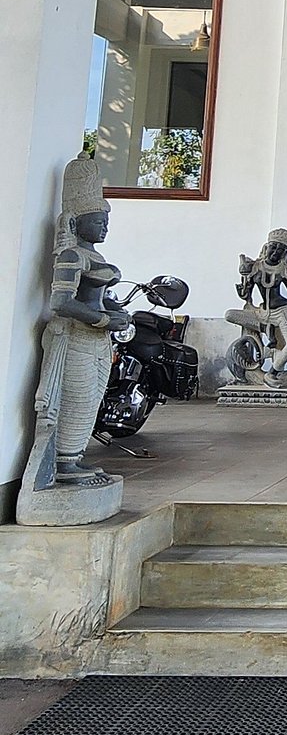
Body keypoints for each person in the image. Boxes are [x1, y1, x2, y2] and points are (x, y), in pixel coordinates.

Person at [25, 152, 128, 490]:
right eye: (98, 221)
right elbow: (61, 302)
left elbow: (98, 294)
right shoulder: (71, 255)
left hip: (97, 339)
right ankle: (64, 461)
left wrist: (114, 311)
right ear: (76, 222)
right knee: (78, 399)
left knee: (93, 400)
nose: (104, 227)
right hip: (79, 336)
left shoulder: (94, 255)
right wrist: (102, 319)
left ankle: (75, 455)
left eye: (106, 221)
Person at [230, 228, 287, 387]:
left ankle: (272, 373)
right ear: (266, 247)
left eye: (280, 249)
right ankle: (266, 328)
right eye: (273, 247)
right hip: (262, 313)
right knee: (229, 315)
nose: (275, 252)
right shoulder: (255, 267)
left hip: (283, 312)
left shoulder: (285, 271)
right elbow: (246, 295)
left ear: (285, 252)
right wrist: (244, 277)